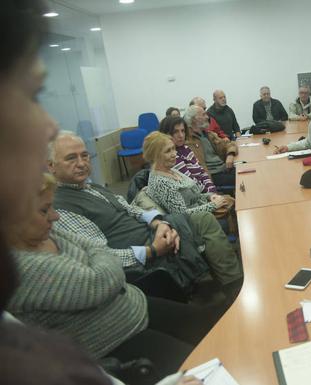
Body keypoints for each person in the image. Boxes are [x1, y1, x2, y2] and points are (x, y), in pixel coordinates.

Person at [0, 1, 198, 384]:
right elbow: (99, 268)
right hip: (126, 319)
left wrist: (154, 219)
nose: (46, 125)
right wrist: (149, 246)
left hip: (133, 301)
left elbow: (101, 248)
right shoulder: (45, 221)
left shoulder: (91, 191)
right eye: (27, 97)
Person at [8, 174, 218, 384]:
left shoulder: (49, 232)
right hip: (113, 342)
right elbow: (99, 282)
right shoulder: (19, 268)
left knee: (211, 327)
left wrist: (104, 266)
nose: (55, 216)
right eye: (44, 210)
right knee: (204, 366)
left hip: (133, 306)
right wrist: (103, 266)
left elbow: (99, 249)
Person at [48, 132, 243, 303]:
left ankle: (230, 285)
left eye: (84, 156)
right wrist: (151, 250)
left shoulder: (94, 188)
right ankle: (231, 286)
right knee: (202, 220)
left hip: (153, 231)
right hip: (141, 251)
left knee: (201, 220)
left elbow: (132, 209)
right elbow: (100, 255)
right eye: (71, 158)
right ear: (51, 166)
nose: (82, 163)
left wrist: (159, 223)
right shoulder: (61, 209)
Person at [143, 132, 232, 215]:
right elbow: (182, 215)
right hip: (197, 223)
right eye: (168, 151)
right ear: (154, 156)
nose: (174, 154)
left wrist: (210, 197)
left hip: (204, 210)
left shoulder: (172, 170)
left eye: (173, 149)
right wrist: (213, 205)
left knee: (232, 202)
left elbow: (194, 197)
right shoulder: (160, 182)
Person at [182, 107, 238, 190]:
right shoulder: (188, 141)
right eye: (203, 115)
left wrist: (230, 154)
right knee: (244, 178)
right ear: (194, 119)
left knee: (247, 171)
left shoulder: (209, 134)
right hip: (213, 175)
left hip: (225, 168)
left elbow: (230, 144)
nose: (207, 117)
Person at [163, 113, 217, 194]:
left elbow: (202, 172)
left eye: (183, 131)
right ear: (167, 134)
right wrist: (209, 194)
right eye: (175, 132)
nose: (181, 135)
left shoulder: (186, 148)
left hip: (206, 193)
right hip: (195, 197)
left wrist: (212, 189)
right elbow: (190, 181)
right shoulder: (172, 155)